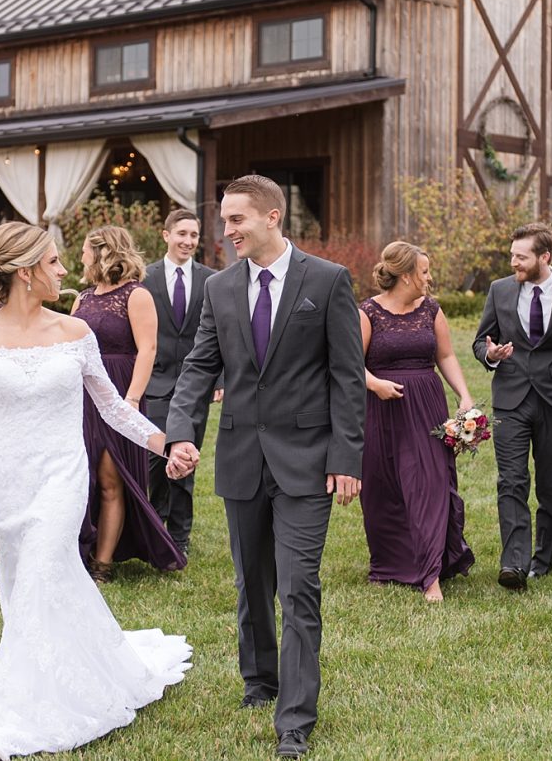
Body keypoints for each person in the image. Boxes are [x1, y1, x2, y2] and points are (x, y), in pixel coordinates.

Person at [0, 222, 190, 759]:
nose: (63, 271)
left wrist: (165, 444)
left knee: (37, 578)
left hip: (61, 477)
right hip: (7, 482)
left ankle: (5, 725)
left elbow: (112, 406)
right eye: (53, 263)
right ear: (26, 272)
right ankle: (93, 664)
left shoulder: (76, 333)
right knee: (27, 589)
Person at [164, 174, 364, 761]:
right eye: (223, 221)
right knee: (252, 582)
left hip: (307, 461)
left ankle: (295, 721)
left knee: (299, 586)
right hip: (240, 459)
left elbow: (346, 377)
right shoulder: (220, 288)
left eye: (235, 221)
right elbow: (200, 367)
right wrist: (180, 433)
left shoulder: (327, 281)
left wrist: (346, 455)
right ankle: (259, 681)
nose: (225, 233)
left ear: (272, 217)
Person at [472, 222, 552, 588]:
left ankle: (544, 557)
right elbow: (481, 340)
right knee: (511, 480)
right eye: (512, 255)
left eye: (521, 256)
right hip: (510, 401)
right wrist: (490, 354)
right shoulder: (499, 290)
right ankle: (513, 562)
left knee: (550, 484)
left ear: (545, 257)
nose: (514, 262)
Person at [360, 241, 476, 603]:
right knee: (385, 488)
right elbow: (348, 364)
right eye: (424, 271)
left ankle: (430, 577)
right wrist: (375, 384)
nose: (429, 278)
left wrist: (464, 395)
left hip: (426, 406)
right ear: (406, 275)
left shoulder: (431, 310)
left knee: (429, 484)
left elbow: (446, 355)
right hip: (381, 409)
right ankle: (390, 565)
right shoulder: (368, 312)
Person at [73, 225, 184, 579]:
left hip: (121, 386)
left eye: (86, 250)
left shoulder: (136, 295)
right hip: (81, 393)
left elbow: (147, 349)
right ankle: (78, 551)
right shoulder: (83, 297)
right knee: (81, 476)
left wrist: (132, 399)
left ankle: (102, 564)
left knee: (111, 477)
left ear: (104, 252)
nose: (81, 257)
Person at [143, 208, 219, 559]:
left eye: (193, 235)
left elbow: (224, 335)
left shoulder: (212, 281)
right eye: (182, 234)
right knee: (156, 461)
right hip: (154, 383)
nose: (188, 241)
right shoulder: (145, 278)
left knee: (186, 460)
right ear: (165, 235)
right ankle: (155, 526)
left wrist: (219, 378)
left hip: (194, 386)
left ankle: (180, 535)